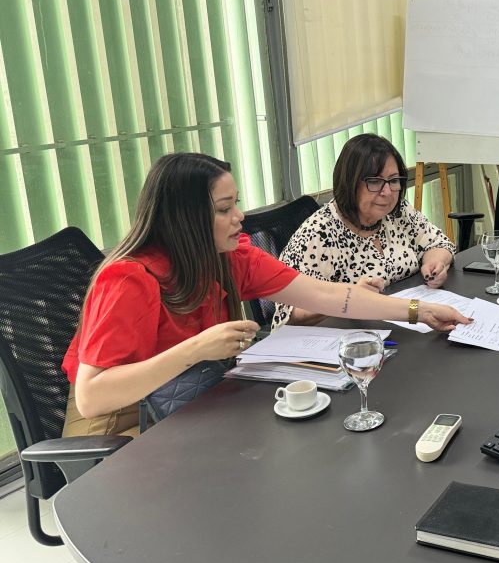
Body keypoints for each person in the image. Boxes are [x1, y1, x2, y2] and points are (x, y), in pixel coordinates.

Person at [61, 152, 470, 437]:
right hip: (121, 422)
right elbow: (93, 397)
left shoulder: (229, 257)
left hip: (192, 399)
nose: (239, 217)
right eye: (224, 209)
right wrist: (196, 349)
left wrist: (418, 310)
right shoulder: (129, 279)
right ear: (185, 218)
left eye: (235, 204)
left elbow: (330, 296)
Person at [272, 134, 456, 328]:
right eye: (375, 182)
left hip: (396, 326)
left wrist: (436, 262)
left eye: (394, 180)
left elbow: (438, 243)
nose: (387, 192)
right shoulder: (319, 233)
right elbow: (290, 312)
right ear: (350, 183)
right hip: (342, 338)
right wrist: (350, 297)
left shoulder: (397, 212)